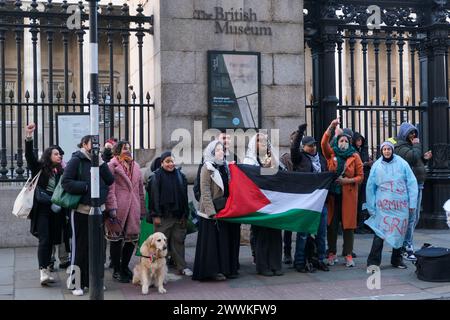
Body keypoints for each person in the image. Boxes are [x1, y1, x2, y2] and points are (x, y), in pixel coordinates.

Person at [61, 135, 114, 296]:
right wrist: (86, 187)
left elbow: (110, 180)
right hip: (81, 211)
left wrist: (101, 162)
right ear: (84, 144)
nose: (96, 147)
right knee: (80, 248)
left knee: (96, 248)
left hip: (98, 211)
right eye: (93, 143)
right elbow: (66, 182)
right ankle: (76, 283)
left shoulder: (99, 160)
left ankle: (94, 281)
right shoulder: (76, 160)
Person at [366, 141, 418, 269]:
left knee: (399, 233)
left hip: (400, 206)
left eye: (389, 149)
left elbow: (411, 183)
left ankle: (397, 259)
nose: (387, 151)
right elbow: (370, 187)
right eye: (384, 149)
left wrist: (412, 203)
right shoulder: (376, 166)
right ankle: (373, 262)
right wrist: (371, 207)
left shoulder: (402, 163)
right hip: (382, 207)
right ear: (381, 151)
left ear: (392, 150)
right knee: (379, 234)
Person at [193, 140, 240, 281]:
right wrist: (211, 212)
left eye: (222, 150)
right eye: (217, 150)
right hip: (212, 212)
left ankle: (226, 269)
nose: (221, 152)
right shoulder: (207, 167)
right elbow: (205, 191)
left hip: (225, 209)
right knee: (212, 244)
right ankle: (212, 271)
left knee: (224, 241)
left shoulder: (226, 166)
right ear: (212, 152)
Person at [25, 123, 64, 285]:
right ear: (49, 156)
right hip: (42, 209)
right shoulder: (40, 168)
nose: (59, 156)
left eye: (60, 154)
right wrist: (29, 137)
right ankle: (43, 271)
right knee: (44, 239)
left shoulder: (61, 171)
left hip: (56, 209)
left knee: (54, 239)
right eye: (56, 154)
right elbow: (29, 156)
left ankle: (47, 268)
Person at [321, 118, 364, 267]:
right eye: (341, 141)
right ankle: (332, 253)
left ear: (349, 143)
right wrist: (331, 127)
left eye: (346, 141)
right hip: (333, 196)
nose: (343, 143)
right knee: (332, 225)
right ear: (337, 142)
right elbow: (323, 144)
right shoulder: (331, 154)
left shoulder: (355, 156)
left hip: (349, 196)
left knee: (348, 226)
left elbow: (360, 177)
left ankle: (348, 254)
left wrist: (347, 181)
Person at [105, 141, 146, 283]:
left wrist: (142, 208)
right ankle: (116, 269)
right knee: (116, 240)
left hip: (133, 207)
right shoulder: (112, 165)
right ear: (117, 151)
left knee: (132, 239)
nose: (127, 151)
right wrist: (112, 207)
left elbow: (140, 190)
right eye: (124, 148)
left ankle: (124, 266)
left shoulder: (136, 166)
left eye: (129, 148)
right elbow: (109, 188)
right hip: (119, 206)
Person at [291, 124, 330, 272]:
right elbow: (294, 149)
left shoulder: (320, 159)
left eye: (314, 145)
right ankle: (299, 261)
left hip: (320, 202)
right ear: (304, 147)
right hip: (306, 201)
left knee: (321, 233)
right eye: (309, 146)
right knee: (303, 234)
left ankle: (319, 259)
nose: (312, 148)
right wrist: (300, 132)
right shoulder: (299, 158)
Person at [244, 133, 284, 276]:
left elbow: (279, 172)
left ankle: (276, 265)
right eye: (260, 141)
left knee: (275, 233)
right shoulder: (249, 160)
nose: (263, 143)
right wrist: (265, 169)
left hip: (273, 201)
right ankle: (263, 266)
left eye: (266, 141)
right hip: (259, 203)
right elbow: (251, 176)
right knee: (261, 235)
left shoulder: (271, 157)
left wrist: (272, 161)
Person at [148, 152, 193, 276]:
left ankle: (182, 266)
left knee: (178, 242)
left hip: (178, 216)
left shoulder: (180, 176)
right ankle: (156, 270)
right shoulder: (156, 177)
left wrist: (185, 214)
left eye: (172, 161)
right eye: (167, 161)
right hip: (163, 216)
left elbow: (184, 196)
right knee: (159, 245)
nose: (171, 164)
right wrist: (155, 215)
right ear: (162, 163)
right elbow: (153, 198)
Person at [394, 122, 432, 261]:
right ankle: (406, 246)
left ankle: (406, 244)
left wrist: (424, 159)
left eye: (414, 133)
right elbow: (411, 157)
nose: (413, 136)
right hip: (409, 187)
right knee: (410, 218)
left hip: (418, 184)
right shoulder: (400, 147)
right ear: (404, 134)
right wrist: (417, 145)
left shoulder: (409, 147)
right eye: (410, 133)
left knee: (414, 217)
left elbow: (415, 162)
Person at [353, 132, 373, 234]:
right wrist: (364, 164)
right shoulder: (353, 150)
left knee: (364, 201)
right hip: (357, 178)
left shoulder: (364, 149)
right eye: (357, 140)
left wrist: (367, 163)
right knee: (357, 201)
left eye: (360, 140)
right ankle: (357, 224)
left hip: (365, 177)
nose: (359, 142)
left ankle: (363, 223)